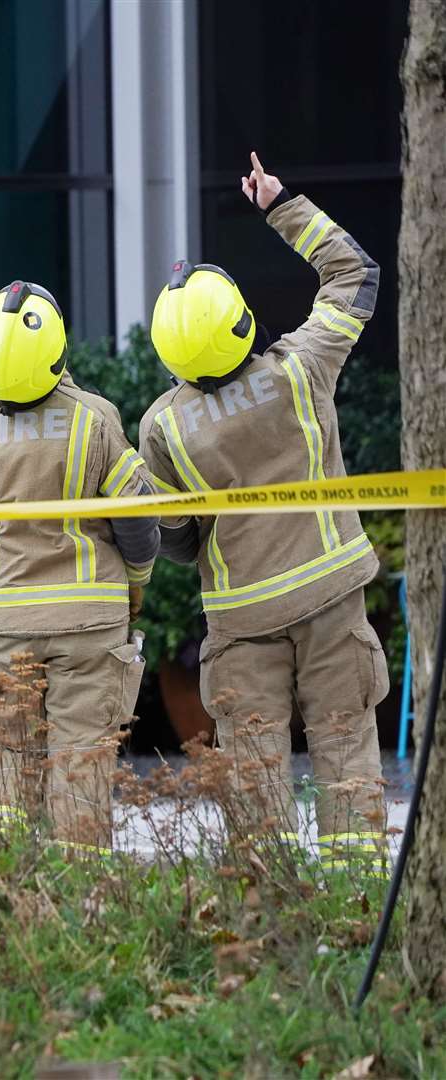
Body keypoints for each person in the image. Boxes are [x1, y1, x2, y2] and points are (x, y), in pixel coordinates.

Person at [139, 152, 387, 872]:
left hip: (242, 618)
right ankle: (357, 901)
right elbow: (354, 275)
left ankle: (268, 911)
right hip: (332, 595)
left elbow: (179, 542)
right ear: (242, 321)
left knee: (254, 765)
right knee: (343, 742)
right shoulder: (302, 368)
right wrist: (281, 204)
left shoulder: (164, 426)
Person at [0, 281, 158, 857]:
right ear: (57, 350)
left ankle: (13, 880)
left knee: (8, 757)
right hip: (91, 623)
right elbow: (137, 523)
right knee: (81, 756)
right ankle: (82, 890)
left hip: (7, 625)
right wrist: (137, 583)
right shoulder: (94, 418)